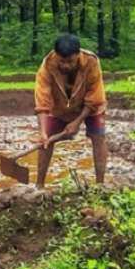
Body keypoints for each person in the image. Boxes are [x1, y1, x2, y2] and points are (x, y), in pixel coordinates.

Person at [33, 33, 108, 188]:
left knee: (98, 137)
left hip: (90, 107)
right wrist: (42, 132)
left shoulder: (91, 62)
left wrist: (77, 121)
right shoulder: (47, 66)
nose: (66, 65)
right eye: (62, 61)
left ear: (78, 55)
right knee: (46, 141)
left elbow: (94, 95)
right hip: (60, 106)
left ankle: (100, 185)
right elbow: (42, 100)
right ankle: (39, 185)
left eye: (70, 62)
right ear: (56, 55)